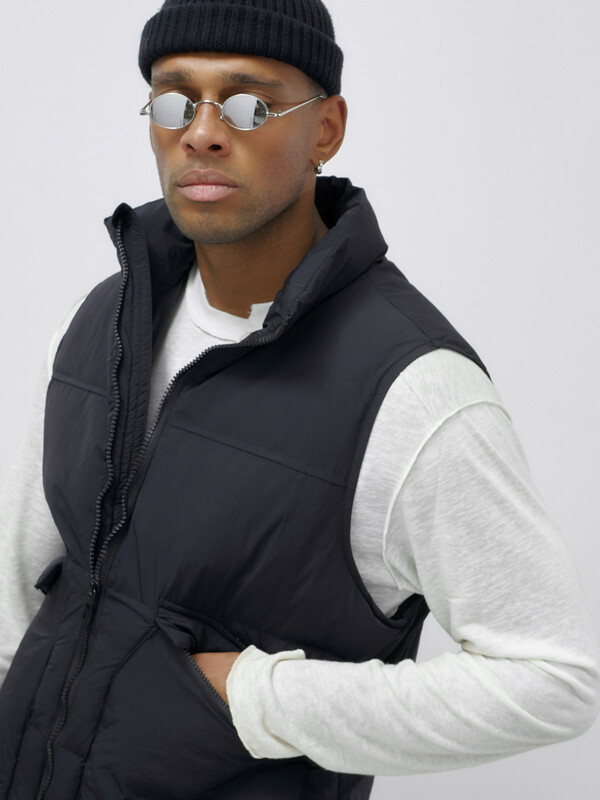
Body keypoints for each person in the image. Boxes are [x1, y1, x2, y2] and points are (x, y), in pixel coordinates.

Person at [0, 0, 598, 798]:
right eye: (175, 101)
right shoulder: (100, 326)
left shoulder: (409, 391)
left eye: (249, 105)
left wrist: (259, 698)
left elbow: (554, 677)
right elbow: (20, 598)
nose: (202, 133)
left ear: (326, 129)